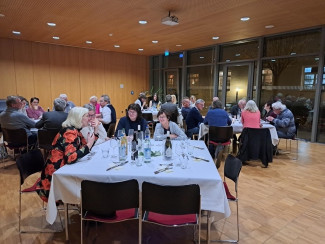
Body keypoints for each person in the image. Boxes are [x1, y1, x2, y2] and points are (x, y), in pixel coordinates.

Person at [36, 107, 97, 202]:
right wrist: (89, 144)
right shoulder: (70, 132)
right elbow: (71, 158)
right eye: (86, 116)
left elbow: (84, 147)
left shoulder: (75, 130)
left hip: (62, 169)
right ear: (78, 118)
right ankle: (83, 203)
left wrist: (94, 131)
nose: (89, 118)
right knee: (90, 182)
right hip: (56, 174)